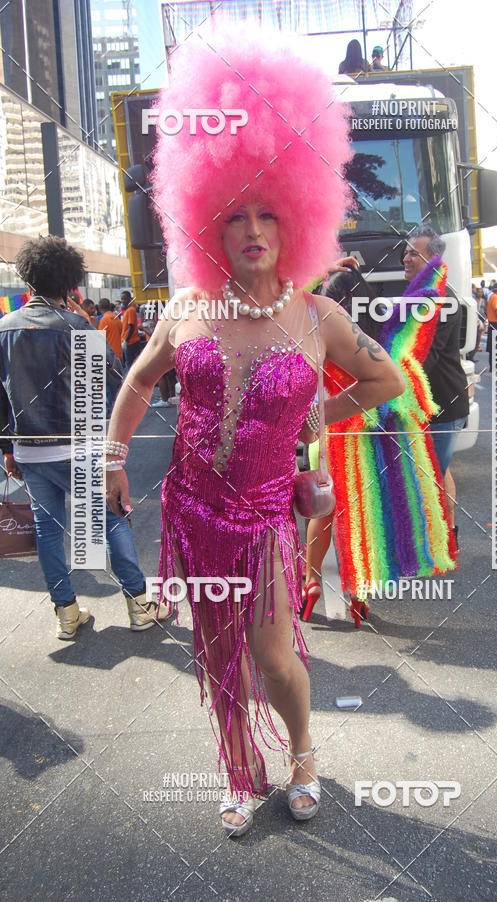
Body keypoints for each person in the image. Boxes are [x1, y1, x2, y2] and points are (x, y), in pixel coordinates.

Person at [105, 34, 404, 838]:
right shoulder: (187, 309)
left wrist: (323, 413)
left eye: (268, 211)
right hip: (192, 513)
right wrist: (111, 457)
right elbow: (139, 382)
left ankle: (303, 755)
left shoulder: (318, 316)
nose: (251, 229)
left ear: (297, 216)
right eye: (233, 213)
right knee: (216, 658)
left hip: (267, 517)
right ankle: (240, 768)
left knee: (272, 655)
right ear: (206, 219)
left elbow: (387, 380)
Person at [0, 236, 168, 638]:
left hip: (29, 450)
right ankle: (138, 604)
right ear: (69, 283)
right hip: (81, 448)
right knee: (110, 520)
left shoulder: (4, 329)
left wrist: (7, 449)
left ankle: (67, 612)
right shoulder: (77, 327)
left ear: (28, 279)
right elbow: (114, 385)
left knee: (47, 530)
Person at [304, 227, 458, 627]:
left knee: (324, 510)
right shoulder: (383, 342)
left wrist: (318, 275)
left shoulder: (314, 334)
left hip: (329, 433)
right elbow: (405, 364)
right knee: (364, 511)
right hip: (371, 436)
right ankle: (359, 594)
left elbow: (277, 302)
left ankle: (310, 583)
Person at [421, 228, 469, 548]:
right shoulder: (423, 294)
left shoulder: (441, 299)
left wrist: (389, 382)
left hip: (444, 403)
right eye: (405, 252)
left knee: (431, 475)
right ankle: (447, 536)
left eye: (413, 253)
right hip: (434, 403)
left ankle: (437, 544)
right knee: (440, 470)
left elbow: (429, 355)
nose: (405, 258)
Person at [99, 297, 124, 415]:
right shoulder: (116, 318)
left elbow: (100, 338)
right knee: (117, 383)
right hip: (118, 354)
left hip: (109, 356)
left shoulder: (104, 320)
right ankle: (118, 408)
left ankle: (111, 410)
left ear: (100, 308)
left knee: (109, 384)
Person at [120, 290, 143, 369]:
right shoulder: (127, 310)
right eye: (122, 299)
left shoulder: (130, 310)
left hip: (131, 342)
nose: (123, 301)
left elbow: (131, 326)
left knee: (130, 365)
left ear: (129, 299)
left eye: (124, 299)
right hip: (130, 342)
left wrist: (126, 340)